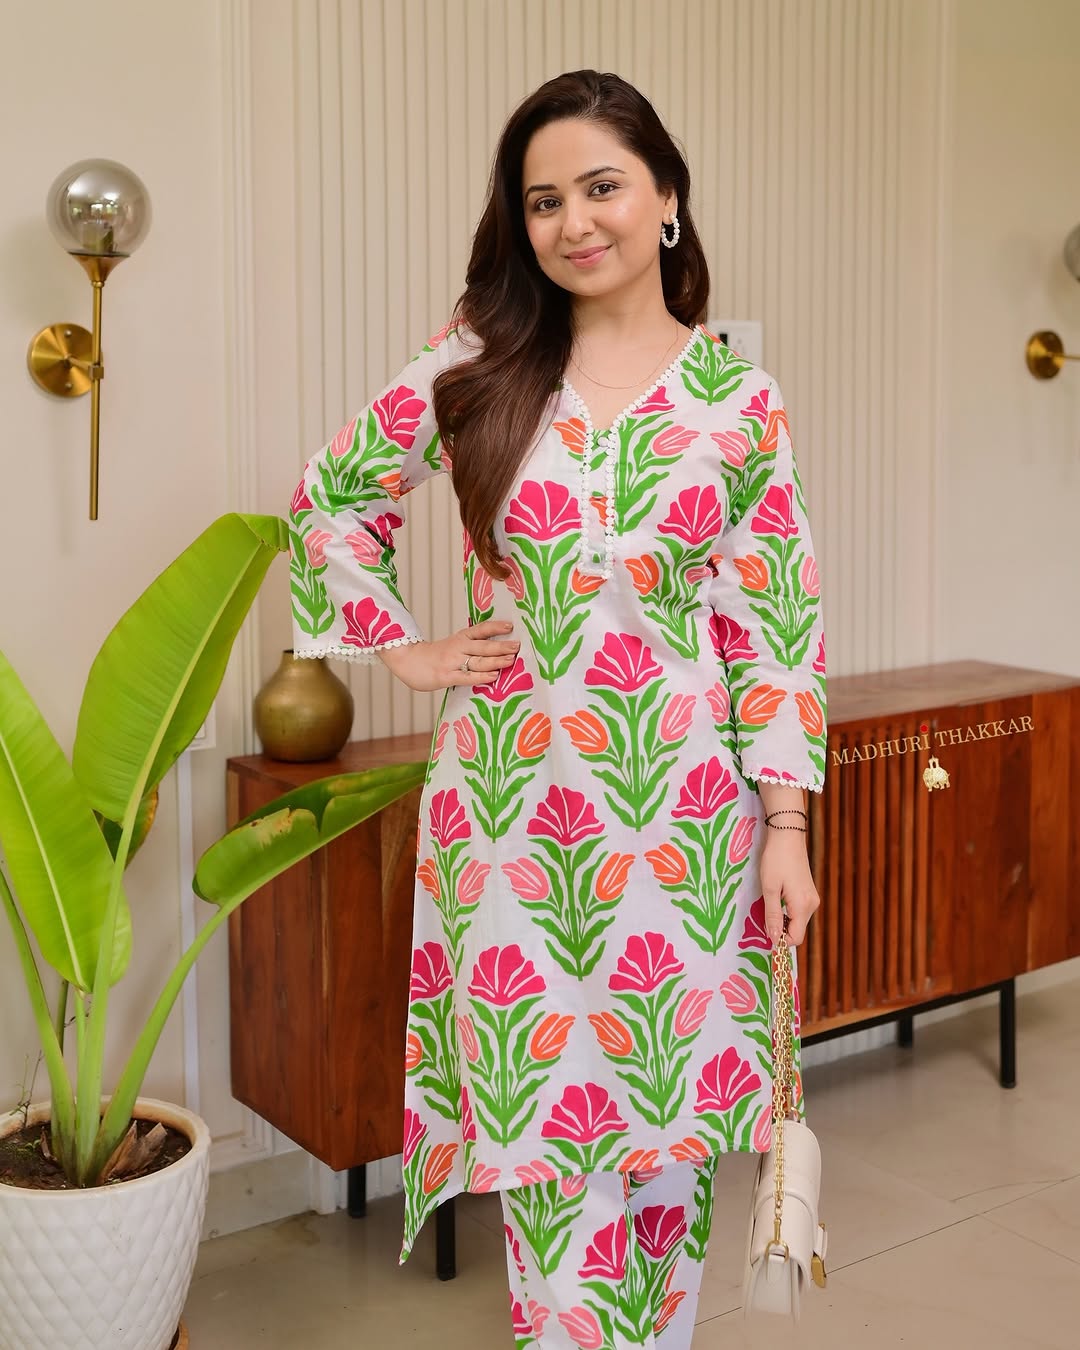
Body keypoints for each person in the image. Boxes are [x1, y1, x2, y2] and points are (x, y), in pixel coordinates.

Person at [290, 68, 825, 1350]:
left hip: (687, 827)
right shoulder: (479, 363)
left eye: (601, 187)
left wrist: (787, 826)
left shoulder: (738, 400)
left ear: (666, 197)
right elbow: (329, 502)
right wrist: (403, 648)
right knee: (547, 1147)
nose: (574, 222)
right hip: (513, 827)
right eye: (543, 201)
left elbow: (772, 627)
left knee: (671, 1147)